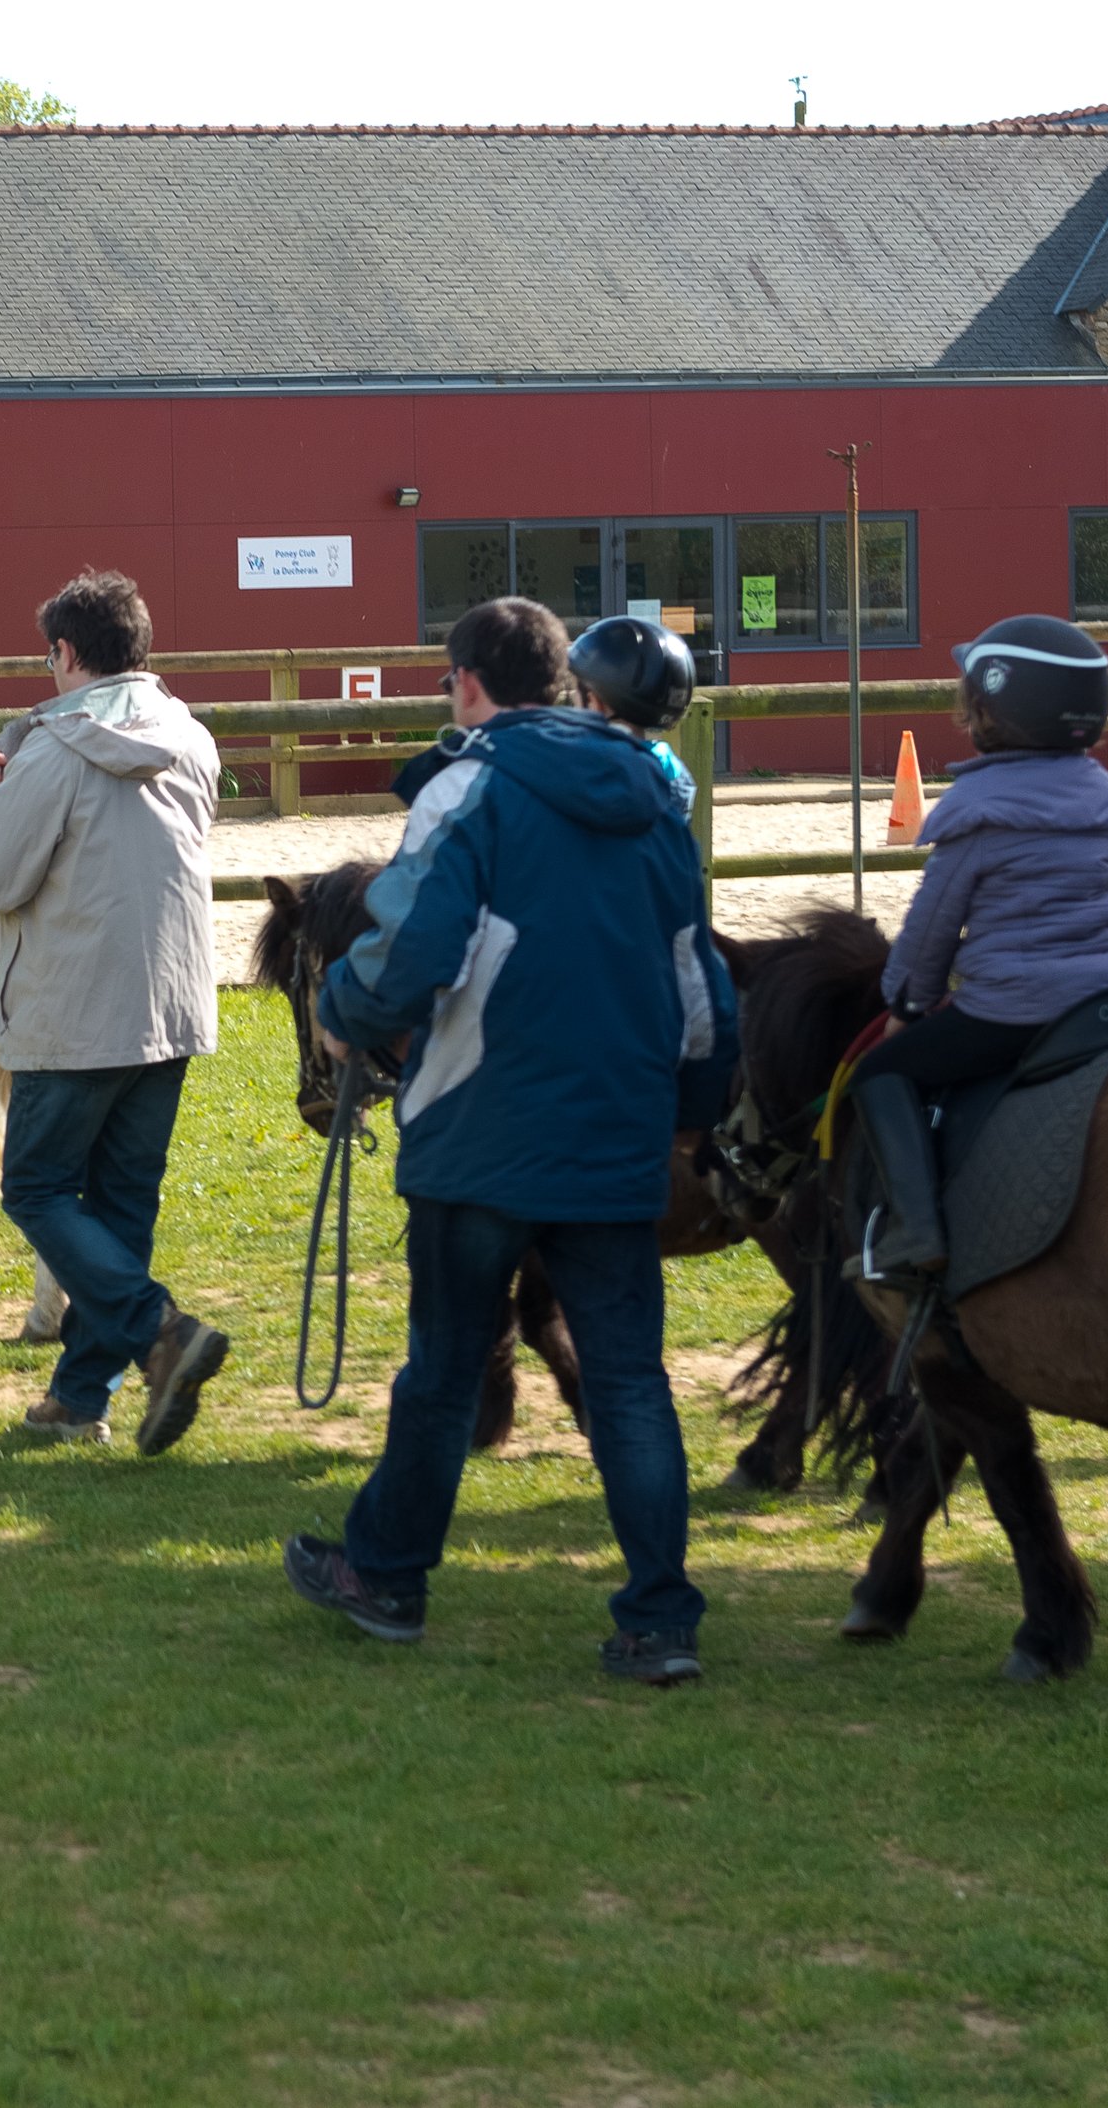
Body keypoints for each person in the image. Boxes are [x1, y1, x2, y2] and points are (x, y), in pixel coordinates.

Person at [285, 594, 738, 1685]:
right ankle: (659, 1618)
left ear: (470, 685)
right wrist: (694, 1111)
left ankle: (387, 1576)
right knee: (631, 1381)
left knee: (441, 1372)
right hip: (614, 1137)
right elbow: (698, 989)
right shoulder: (657, 799)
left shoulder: (465, 783)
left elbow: (411, 945)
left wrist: (343, 1015)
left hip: (478, 1129)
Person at [0, 569, 230, 1455]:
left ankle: (157, 1330)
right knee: (123, 1203)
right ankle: (80, 1396)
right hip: (171, 1003)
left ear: (65, 653)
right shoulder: (192, 739)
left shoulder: (56, 752)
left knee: (36, 1187)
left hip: (72, 1006)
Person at [849, 614, 1108, 1289]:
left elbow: (929, 935)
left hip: (1014, 1010)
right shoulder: (1102, 799)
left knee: (882, 1076)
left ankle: (914, 1232)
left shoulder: (979, 808)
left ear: (991, 711)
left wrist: (906, 1005)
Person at [568, 613, 699, 812]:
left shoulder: (580, 775)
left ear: (594, 702)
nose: (572, 700)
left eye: (576, 693)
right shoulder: (673, 773)